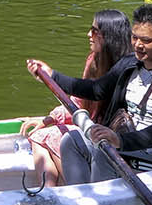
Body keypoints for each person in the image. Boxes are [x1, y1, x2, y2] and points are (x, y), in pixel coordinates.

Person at [25, 4, 152, 185]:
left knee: (106, 153)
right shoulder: (130, 63)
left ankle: (97, 204)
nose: (138, 45)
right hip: (125, 147)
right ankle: (81, 197)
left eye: (147, 40)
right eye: (134, 38)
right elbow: (95, 90)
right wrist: (53, 75)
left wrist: (119, 140)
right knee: (72, 140)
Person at [20, 10, 133, 187]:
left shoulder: (126, 68)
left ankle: (52, 190)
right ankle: (49, 191)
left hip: (109, 143)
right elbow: (80, 101)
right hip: (90, 129)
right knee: (39, 134)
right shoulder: (93, 61)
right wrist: (51, 118)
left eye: (94, 31)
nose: (89, 34)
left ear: (109, 36)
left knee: (41, 137)